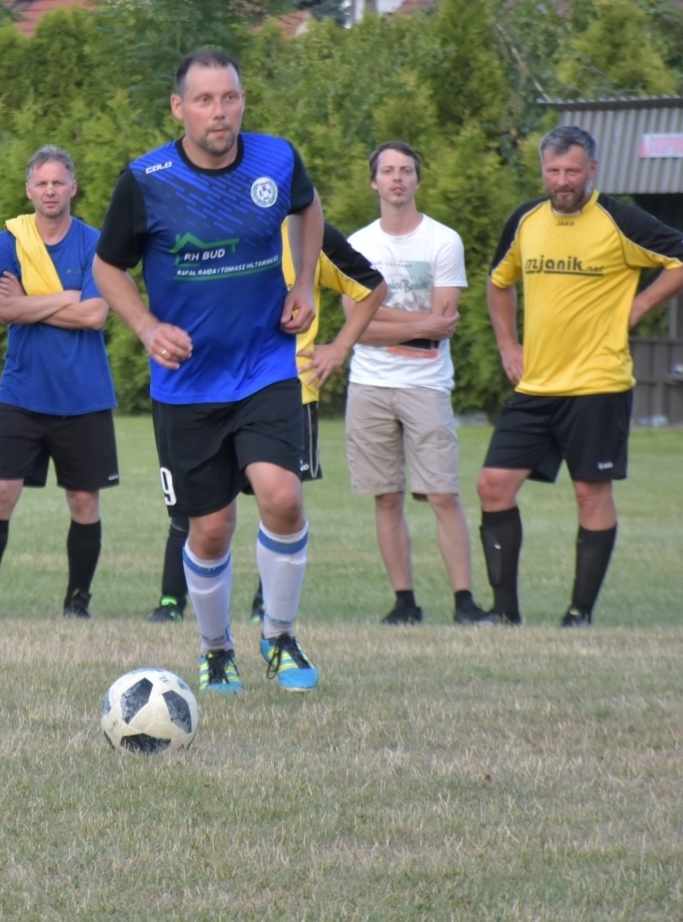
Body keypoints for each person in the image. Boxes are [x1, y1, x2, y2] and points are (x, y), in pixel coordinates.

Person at [95, 48, 327, 694]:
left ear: (242, 102)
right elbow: (108, 267)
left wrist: (303, 284)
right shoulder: (146, 180)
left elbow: (308, 211)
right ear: (179, 108)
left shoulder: (276, 160)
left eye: (229, 98)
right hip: (188, 382)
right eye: (204, 100)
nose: (219, 112)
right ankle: (215, 646)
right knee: (212, 525)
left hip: (265, 363)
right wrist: (146, 327)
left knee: (282, 495)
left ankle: (278, 636)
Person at [477, 125, 683, 626]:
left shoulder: (620, 219)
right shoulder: (525, 220)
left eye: (572, 172)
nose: (562, 181)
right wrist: (507, 344)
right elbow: (499, 283)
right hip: (536, 384)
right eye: (553, 171)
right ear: (542, 170)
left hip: (599, 384)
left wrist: (644, 301)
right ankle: (503, 612)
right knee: (493, 485)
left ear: (593, 171)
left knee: (590, 493)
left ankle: (579, 613)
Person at [147, 220, 386, 624]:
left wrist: (339, 348)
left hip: (283, 391)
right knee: (203, 517)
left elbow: (371, 287)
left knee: (279, 503)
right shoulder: (198, 222)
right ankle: (175, 605)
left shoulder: (305, 231)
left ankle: (270, 614)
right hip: (200, 393)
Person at [345, 142, 492, 626]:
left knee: (443, 494)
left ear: (417, 180)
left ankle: (464, 600)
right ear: (374, 182)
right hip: (370, 384)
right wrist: (416, 324)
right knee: (385, 495)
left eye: (406, 170)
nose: (397, 179)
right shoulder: (358, 246)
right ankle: (404, 601)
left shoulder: (443, 241)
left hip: (427, 385)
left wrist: (380, 322)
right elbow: (355, 327)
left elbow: (445, 321)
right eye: (387, 171)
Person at [0, 146, 120, 619]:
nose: (50, 190)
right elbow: (4, 311)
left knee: (83, 499)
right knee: (1, 492)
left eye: (58, 182)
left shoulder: (96, 243)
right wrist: (66, 298)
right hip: (23, 391)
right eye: (41, 183)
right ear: (29, 190)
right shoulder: (9, 241)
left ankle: (77, 601)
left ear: (73, 187)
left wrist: (34, 302)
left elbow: (96, 315)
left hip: (84, 393)